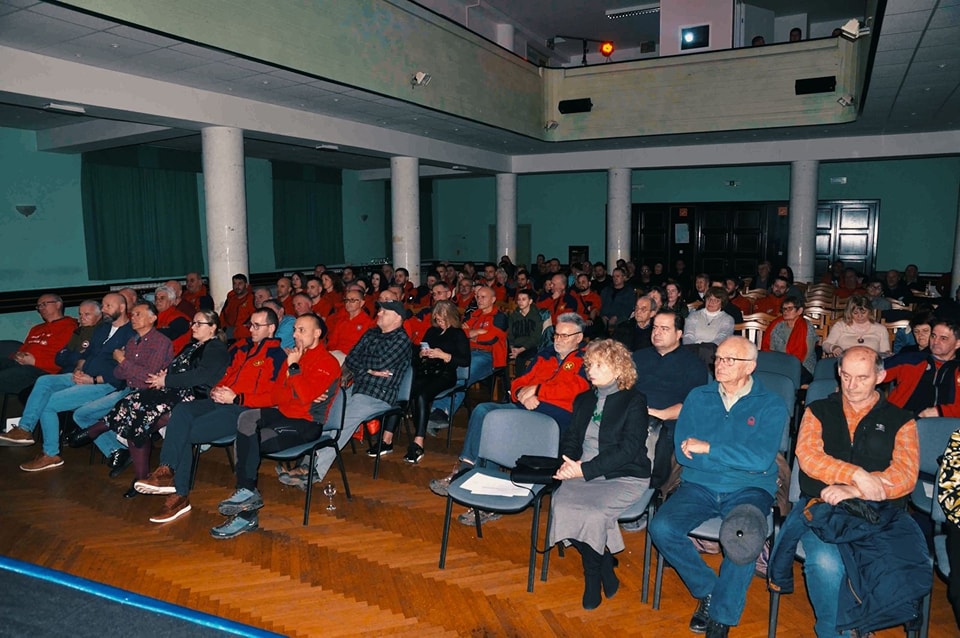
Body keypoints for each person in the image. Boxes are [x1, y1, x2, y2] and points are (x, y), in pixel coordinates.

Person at [769, 346, 923, 637]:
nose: (851, 385)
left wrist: (854, 490)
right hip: (821, 508)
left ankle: (858, 622)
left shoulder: (902, 420)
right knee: (826, 563)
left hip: (879, 514)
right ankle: (833, 631)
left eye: (862, 378)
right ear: (839, 372)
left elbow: (905, 476)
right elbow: (809, 457)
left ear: (880, 376)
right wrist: (856, 474)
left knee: (890, 566)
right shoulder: (818, 411)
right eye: (846, 376)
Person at [648, 336, 788, 638]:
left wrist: (709, 448)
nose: (719, 365)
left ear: (750, 366)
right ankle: (710, 590)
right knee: (662, 527)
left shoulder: (771, 404)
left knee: (743, 535)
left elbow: (761, 459)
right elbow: (684, 451)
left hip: (750, 489)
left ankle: (722, 616)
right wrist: (732, 458)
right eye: (718, 358)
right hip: (699, 484)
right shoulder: (699, 396)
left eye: (729, 360)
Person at [429, 313, 590, 523]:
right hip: (525, 407)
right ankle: (466, 468)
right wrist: (523, 392)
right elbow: (519, 382)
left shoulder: (586, 359)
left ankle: (488, 499)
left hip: (554, 418)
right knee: (483, 411)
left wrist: (538, 391)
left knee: (497, 428)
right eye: (556, 335)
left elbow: (576, 390)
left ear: (579, 337)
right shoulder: (545, 355)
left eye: (564, 336)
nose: (558, 340)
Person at [132, 308, 286, 523]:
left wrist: (237, 398)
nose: (251, 329)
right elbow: (222, 373)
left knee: (183, 432)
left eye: (257, 326)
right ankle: (166, 470)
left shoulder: (278, 356)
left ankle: (179, 494)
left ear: (271, 328)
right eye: (250, 324)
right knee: (182, 410)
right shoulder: (241, 347)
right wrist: (216, 389)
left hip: (243, 409)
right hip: (218, 401)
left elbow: (276, 396)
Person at [208, 314, 342, 539]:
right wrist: (294, 387)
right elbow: (276, 396)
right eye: (295, 329)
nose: (295, 334)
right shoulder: (295, 357)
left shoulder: (326, 362)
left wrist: (294, 370)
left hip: (306, 423)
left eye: (301, 330)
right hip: (283, 413)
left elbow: (305, 395)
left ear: (317, 333)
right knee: (247, 419)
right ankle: (247, 493)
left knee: (249, 442)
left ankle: (245, 513)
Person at [68, 310, 229, 495]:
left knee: (139, 413)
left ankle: (98, 432)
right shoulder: (191, 346)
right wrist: (165, 375)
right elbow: (176, 369)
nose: (193, 327)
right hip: (174, 391)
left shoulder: (216, 348)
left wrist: (166, 380)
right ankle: (139, 476)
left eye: (199, 323)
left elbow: (200, 376)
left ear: (213, 327)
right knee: (131, 401)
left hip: (192, 396)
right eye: (193, 323)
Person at [549, 339, 650, 610]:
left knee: (593, 516)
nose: (590, 371)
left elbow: (629, 449)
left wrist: (583, 469)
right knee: (561, 506)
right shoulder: (584, 399)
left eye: (599, 365)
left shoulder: (634, 400)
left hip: (623, 474)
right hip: (582, 470)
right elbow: (572, 438)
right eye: (589, 365)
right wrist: (567, 462)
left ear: (618, 369)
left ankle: (592, 579)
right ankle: (605, 564)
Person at [0, 293, 138, 472]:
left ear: (122, 307)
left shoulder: (131, 333)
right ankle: (25, 429)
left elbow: (124, 371)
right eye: (103, 305)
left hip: (105, 384)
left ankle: (51, 454)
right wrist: (78, 369)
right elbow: (86, 354)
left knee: (48, 404)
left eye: (108, 306)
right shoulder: (103, 329)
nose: (103, 309)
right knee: (44, 381)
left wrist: (92, 380)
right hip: (84, 375)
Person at [377, 300, 469, 464]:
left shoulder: (458, 334)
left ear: (451, 317)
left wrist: (443, 355)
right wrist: (422, 353)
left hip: (445, 374)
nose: (440, 322)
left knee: (422, 395)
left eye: (443, 319)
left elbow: (465, 360)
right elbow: (419, 351)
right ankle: (387, 438)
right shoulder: (432, 331)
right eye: (437, 319)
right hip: (426, 371)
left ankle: (418, 442)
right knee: (402, 393)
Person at [0, 293, 77, 398]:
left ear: (58, 304)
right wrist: (16, 356)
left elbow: (66, 360)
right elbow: (22, 349)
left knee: (8, 375)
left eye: (44, 304)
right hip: (20, 364)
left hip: (44, 371)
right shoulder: (36, 328)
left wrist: (35, 362)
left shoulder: (70, 327)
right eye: (39, 306)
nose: (41, 308)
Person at [884, 319, 960, 417]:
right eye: (933, 336)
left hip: (944, 423)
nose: (935, 342)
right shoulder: (911, 359)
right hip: (901, 418)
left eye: (943, 338)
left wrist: (938, 411)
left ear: (957, 343)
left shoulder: (957, 370)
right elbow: (873, 372)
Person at [761, 295, 818, 384]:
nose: (785, 311)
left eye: (790, 308)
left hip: (802, 366)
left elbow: (806, 354)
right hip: (777, 363)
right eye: (784, 309)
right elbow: (769, 349)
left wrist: (784, 363)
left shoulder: (807, 327)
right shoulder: (776, 325)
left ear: (799, 311)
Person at [822, 295, 890, 357]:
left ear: (869, 311)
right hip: (845, 361)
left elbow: (885, 354)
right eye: (855, 313)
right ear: (849, 312)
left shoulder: (881, 329)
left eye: (863, 312)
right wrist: (833, 347)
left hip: (870, 363)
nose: (860, 316)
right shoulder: (840, 326)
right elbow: (826, 345)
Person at [507, 289, 542, 377]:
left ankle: (520, 383)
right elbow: (510, 334)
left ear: (530, 301)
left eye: (523, 299)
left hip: (529, 347)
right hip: (515, 346)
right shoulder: (513, 316)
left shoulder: (536, 317)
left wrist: (520, 350)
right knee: (501, 358)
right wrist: (512, 347)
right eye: (519, 299)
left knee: (520, 358)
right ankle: (507, 385)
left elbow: (536, 338)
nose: (520, 302)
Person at [220, 273, 254, 340]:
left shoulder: (252, 298)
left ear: (246, 285)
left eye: (240, 283)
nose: (237, 286)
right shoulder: (230, 298)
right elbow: (223, 315)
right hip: (227, 331)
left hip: (244, 333)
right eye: (234, 284)